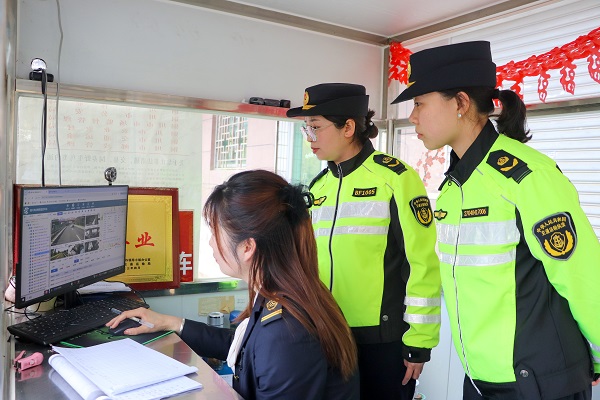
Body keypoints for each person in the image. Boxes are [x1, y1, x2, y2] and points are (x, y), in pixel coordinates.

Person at [391, 40, 600, 399]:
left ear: (460, 103)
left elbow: (582, 275)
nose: (412, 117)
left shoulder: (526, 175)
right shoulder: (455, 185)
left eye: (420, 103)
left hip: (536, 382)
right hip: (480, 378)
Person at [107, 169, 359, 400]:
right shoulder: (281, 293)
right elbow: (245, 348)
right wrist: (171, 323)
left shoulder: (286, 334)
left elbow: (264, 350)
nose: (211, 243)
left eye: (215, 232)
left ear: (247, 247)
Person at [286, 83, 442, 400]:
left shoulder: (395, 179)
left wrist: (420, 340)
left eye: (315, 127)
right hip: (326, 335)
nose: (309, 137)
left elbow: (421, 264)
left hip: (382, 342)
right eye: (306, 128)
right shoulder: (318, 187)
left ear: (348, 127)